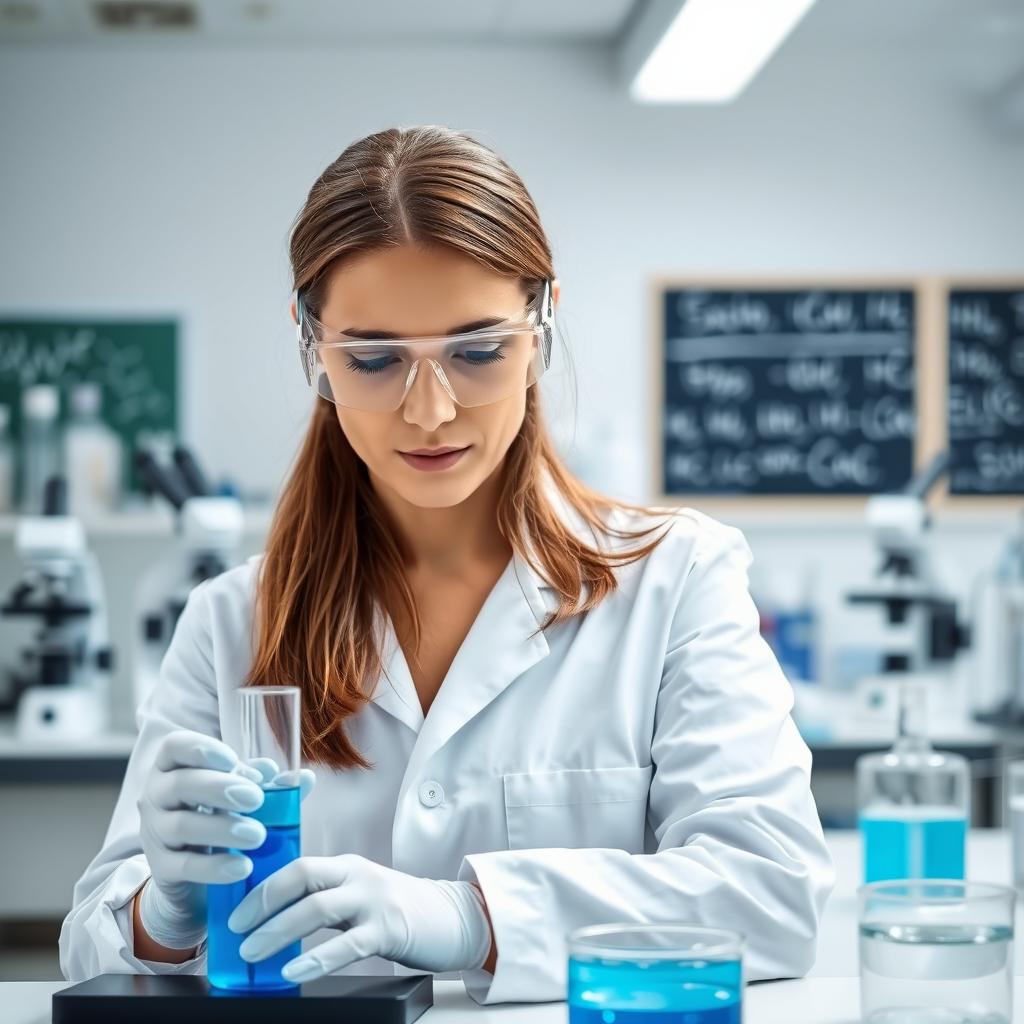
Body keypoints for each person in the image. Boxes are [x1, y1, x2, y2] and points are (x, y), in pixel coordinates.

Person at [59, 125, 834, 1004]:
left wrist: (469, 918)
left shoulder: (676, 579)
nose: (430, 410)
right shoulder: (232, 621)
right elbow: (93, 946)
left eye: (476, 351)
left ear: (540, 326)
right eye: (376, 358)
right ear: (312, 345)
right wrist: (167, 910)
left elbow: (772, 893)